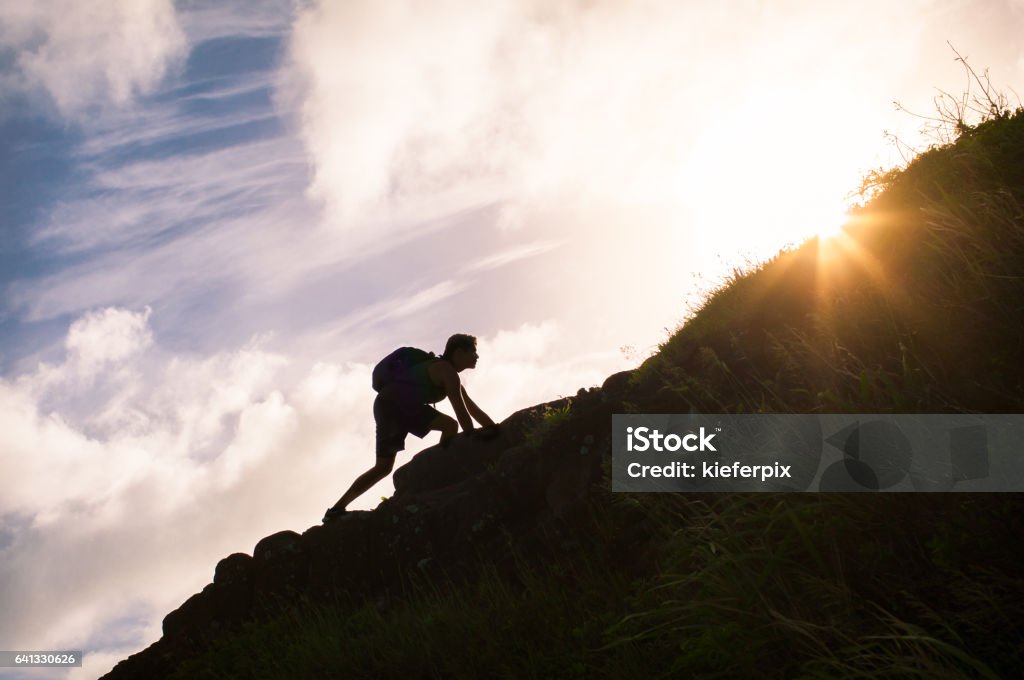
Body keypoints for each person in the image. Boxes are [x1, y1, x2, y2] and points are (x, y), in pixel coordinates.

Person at [323, 333, 497, 521]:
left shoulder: (447, 372)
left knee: (383, 467)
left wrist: (493, 428)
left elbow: (472, 408)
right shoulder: (446, 371)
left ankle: (335, 510)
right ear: (459, 352)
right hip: (395, 405)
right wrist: (472, 437)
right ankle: (440, 474)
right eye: (473, 352)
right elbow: (461, 410)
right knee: (449, 425)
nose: (477, 357)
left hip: (388, 405)